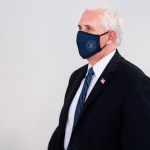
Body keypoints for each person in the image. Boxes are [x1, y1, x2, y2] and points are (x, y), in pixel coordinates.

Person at [48, 6, 150, 150]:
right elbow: (66, 129)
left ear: (110, 37)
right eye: (80, 28)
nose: (81, 34)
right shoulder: (77, 77)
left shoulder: (134, 81)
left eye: (89, 29)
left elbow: (138, 143)